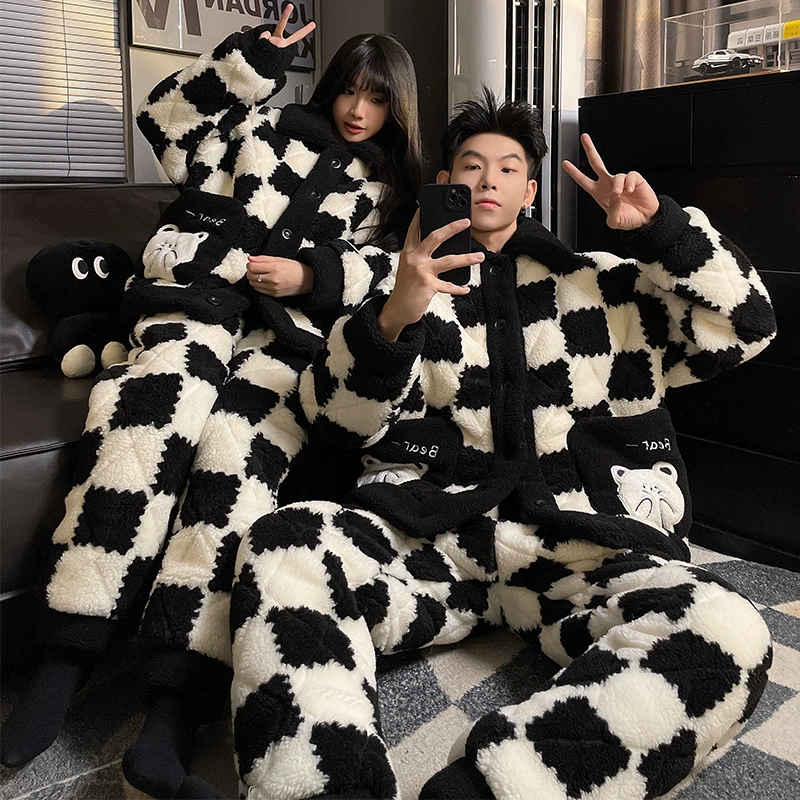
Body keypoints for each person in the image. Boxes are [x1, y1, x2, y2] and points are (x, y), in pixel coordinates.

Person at [224, 88, 776, 800]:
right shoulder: (400, 284)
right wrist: (396, 317)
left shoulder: (604, 284)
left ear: (530, 191)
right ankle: (325, 784)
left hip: (576, 552)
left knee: (727, 626)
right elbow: (336, 421)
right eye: (471, 166)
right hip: (434, 544)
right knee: (283, 542)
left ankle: (499, 787)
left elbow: (748, 326)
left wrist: (660, 230)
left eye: (508, 168)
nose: (488, 179)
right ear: (444, 184)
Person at [0, 7, 424, 798]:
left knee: (238, 453)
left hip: (284, 340)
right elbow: (167, 124)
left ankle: (177, 700)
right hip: (194, 305)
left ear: (398, 108)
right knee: (151, 413)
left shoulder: (390, 194)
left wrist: (312, 277)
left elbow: (391, 272)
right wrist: (249, 62)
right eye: (351, 91)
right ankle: (65, 655)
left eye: (378, 98)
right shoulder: (259, 128)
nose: (359, 110)